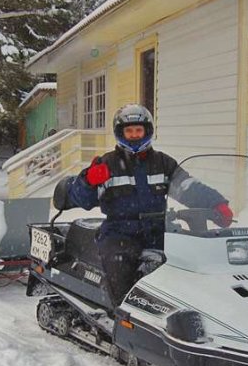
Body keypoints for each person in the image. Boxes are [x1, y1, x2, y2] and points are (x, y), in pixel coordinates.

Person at [67, 103, 234, 305]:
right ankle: (123, 317)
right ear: (121, 133)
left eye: (139, 130)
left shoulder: (163, 163)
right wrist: (88, 180)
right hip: (120, 232)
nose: (135, 135)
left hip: (158, 230)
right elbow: (81, 199)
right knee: (121, 270)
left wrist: (216, 203)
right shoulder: (107, 164)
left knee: (187, 263)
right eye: (130, 131)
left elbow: (188, 187)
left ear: (148, 131)